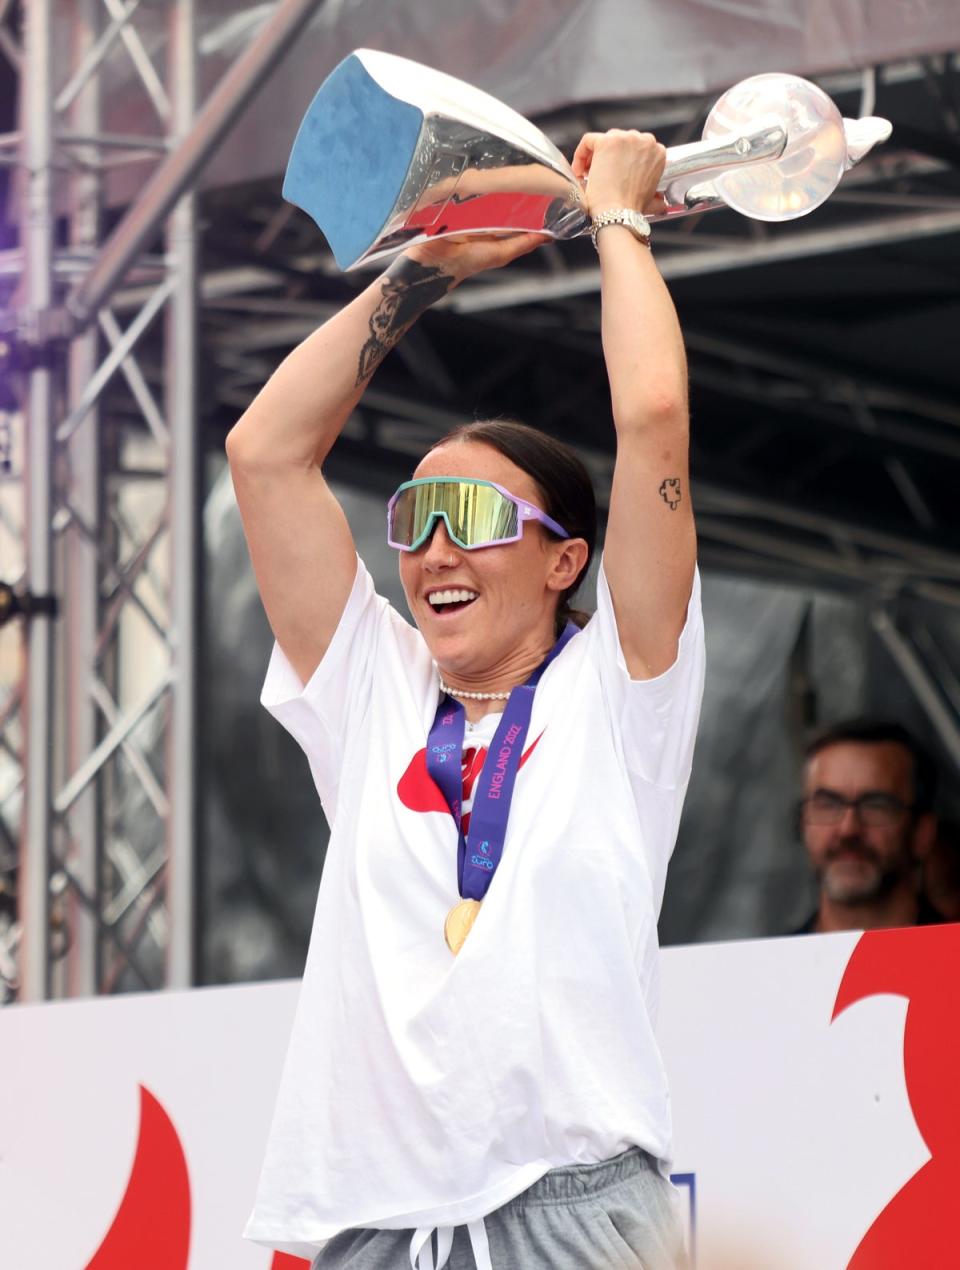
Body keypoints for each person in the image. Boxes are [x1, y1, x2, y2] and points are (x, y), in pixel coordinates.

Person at [227, 128, 703, 1270]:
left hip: (578, 1211)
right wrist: (426, 265)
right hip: (373, 1220)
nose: (436, 548)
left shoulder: (624, 690)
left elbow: (651, 421)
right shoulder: (373, 686)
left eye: (479, 519)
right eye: (415, 519)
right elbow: (264, 454)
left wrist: (619, 224)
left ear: (564, 560)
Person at [791, 719, 947, 935]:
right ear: (803, 822)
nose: (848, 829)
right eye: (828, 804)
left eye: (876, 805)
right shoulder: (768, 966)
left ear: (923, 832)